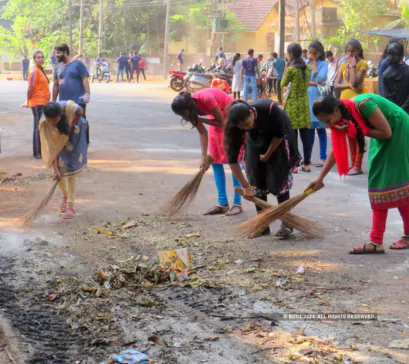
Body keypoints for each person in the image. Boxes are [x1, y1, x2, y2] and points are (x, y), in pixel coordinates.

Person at [308, 94, 409, 253]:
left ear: (336, 110)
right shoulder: (343, 115)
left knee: (384, 183)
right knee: (389, 183)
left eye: (328, 121)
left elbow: (386, 133)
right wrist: (320, 178)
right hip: (383, 132)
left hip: (398, 131)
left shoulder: (364, 105)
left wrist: (355, 130)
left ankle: (376, 241)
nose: (329, 125)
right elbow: (336, 149)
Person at [224, 99, 300, 239]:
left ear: (251, 113)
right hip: (255, 139)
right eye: (242, 128)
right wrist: (246, 186)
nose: (245, 128)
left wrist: (267, 155)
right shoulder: (235, 126)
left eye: (247, 124)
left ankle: (287, 222)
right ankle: (262, 223)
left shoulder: (270, 109)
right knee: (255, 176)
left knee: (279, 177)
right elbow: (232, 159)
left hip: (278, 139)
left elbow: (278, 136)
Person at [171, 89, 244, 216]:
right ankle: (223, 203)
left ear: (188, 108)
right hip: (216, 119)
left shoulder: (207, 99)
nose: (183, 117)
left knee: (233, 161)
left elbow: (222, 122)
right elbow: (202, 132)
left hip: (230, 118)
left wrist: (201, 120)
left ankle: (237, 204)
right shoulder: (191, 111)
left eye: (183, 114)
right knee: (214, 161)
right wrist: (203, 157)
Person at [39, 101, 87, 219]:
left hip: (75, 132)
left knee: (71, 169)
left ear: (61, 115)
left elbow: (80, 111)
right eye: (49, 120)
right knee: (60, 168)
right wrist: (55, 169)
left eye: (54, 120)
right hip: (58, 134)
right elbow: (52, 149)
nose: (51, 123)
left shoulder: (70, 109)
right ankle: (65, 195)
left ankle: (71, 205)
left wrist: (72, 126)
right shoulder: (45, 124)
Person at [334, 39, 368, 176]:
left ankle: (358, 165)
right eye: (348, 51)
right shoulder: (343, 64)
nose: (350, 53)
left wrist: (353, 66)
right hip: (344, 101)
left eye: (352, 51)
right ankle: (352, 163)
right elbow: (336, 84)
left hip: (357, 102)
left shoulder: (362, 64)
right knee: (349, 132)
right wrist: (349, 86)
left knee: (358, 131)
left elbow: (355, 81)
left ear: (359, 51)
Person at [281, 43, 312, 172]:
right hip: (304, 104)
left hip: (293, 104)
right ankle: (306, 163)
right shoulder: (308, 68)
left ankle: (294, 164)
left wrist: (286, 67)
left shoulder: (291, 69)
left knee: (292, 135)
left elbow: (283, 83)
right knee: (305, 136)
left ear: (291, 55)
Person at [53, 43, 91, 144]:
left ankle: (84, 143)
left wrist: (87, 94)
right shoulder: (58, 67)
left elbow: (85, 79)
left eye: (58, 53)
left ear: (65, 52)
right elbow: (56, 85)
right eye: (56, 53)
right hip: (64, 101)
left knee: (81, 122)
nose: (56, 55)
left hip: (78, 99)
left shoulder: (78, 64)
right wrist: (53, 101)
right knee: (66, 123)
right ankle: (69, 143)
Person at [22, 51, 50, 159]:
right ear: (34, 59)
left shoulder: (40, 70)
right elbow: (30, 88)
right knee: (38, 127)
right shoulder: (34, 71)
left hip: (44, 102)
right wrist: (27, 101)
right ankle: (37, 152)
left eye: (42, 57)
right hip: (37, 103)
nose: (41, 59)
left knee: (42, 127)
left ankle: (42, 151)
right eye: (38, 58)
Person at [307, 41, 328, 168]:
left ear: (319, 53)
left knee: (320, 130)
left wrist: (314, 66)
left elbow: (320, 78)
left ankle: (323, 157)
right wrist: (316, 82)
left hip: (319, 99)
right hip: (307, 99)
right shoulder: (304, 63)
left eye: (314, 53)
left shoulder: (323, 64)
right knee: (309, 131)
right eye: (310, 52)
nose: (311, 55)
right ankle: (307, 157)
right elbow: (303, 81)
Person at [382, 42, 409, 114]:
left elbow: (387, 96)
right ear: (403, 55)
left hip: (393, 112)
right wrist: (403, 108)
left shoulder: (385, 74)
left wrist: (397, 110)